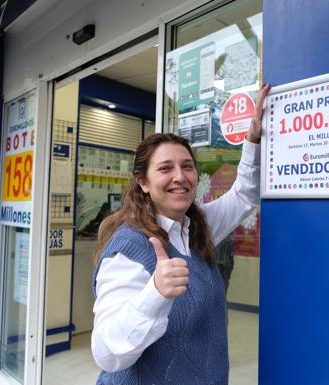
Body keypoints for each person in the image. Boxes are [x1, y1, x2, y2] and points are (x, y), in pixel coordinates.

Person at [91, 84, 270, 385]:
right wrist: (155, 293)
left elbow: (243, 196)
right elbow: (107, 354)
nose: (180, 176)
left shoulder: (197, 225)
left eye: (187, 166)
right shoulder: (127, 250)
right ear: (143, 182)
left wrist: (252, 139)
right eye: (165, 168)